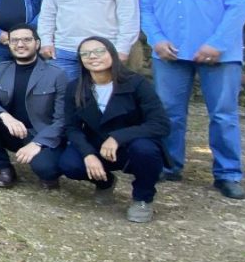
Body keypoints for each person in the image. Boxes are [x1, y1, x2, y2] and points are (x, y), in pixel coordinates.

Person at [141, 0, 245, 199]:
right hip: (170, 55)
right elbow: (147, 12)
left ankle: (228, 174)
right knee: (168, 113)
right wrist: (157, 41)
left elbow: (240, 5)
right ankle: (169, 165)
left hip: (219, 56)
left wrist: (217, 44)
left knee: (223, 114)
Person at [58, 37, 171, 223]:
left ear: (112, 53)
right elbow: (72, 127)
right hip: (97, 144)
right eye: (85, 54)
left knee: (145, 150)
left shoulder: (136, 83)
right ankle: (105, 182)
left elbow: (160, 124)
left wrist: (117, 137)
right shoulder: (75, 88)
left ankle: (142, 198)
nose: (92, 56)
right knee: (70, 164)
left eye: (99, 51)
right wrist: (88, 154)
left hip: (132, 143)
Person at [0, 24, 65, 189]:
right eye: (14, 40)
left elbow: (62, 120)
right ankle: (5, 169)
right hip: (12, 131)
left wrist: (38, 143)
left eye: (26, 39)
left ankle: (48, 170)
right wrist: (5, 116)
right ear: (8, 44)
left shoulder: (56, 74)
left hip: (40, 134)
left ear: (37, 43)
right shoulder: (2, 69)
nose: (20, 44)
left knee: (46, 169)